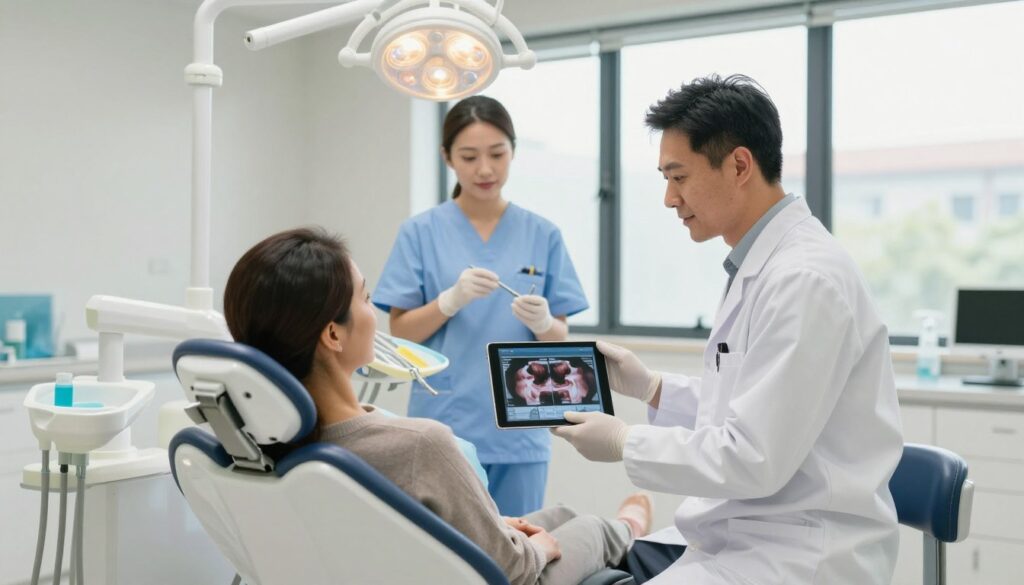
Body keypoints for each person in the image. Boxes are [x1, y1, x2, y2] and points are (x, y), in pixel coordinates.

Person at [551, 75, 904, 584]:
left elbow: (753, 456)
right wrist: (651, 387)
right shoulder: (764, 264)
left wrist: (626, 441)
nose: (670, 199)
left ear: (739, 165)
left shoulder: (802, 279)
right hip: (743, 533)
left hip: (799, 553)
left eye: (679, 177)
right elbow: (747, 409)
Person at [222, 227, 649, 585]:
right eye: (367, 299)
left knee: (559, 514)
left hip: (397, 564)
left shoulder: (262, 444)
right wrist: (534, 549)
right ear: (334, 335)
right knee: (591, 527)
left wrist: (499, 531)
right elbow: (512, 570)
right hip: (505, 578)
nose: (374, 314)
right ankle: (630, 530)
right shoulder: (419, 445)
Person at [373, 95, 589, 516]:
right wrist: (448, 302)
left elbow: (560, 336)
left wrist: (544, 321)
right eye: (469, 156)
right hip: (444, 425)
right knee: (446, 559)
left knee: (520, 554)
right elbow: (401, 333)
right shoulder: (421, 232)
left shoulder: (542, 234)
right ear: (447, 157)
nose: (485, 169)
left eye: (497, 154)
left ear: (513, 151)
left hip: (520, 426)